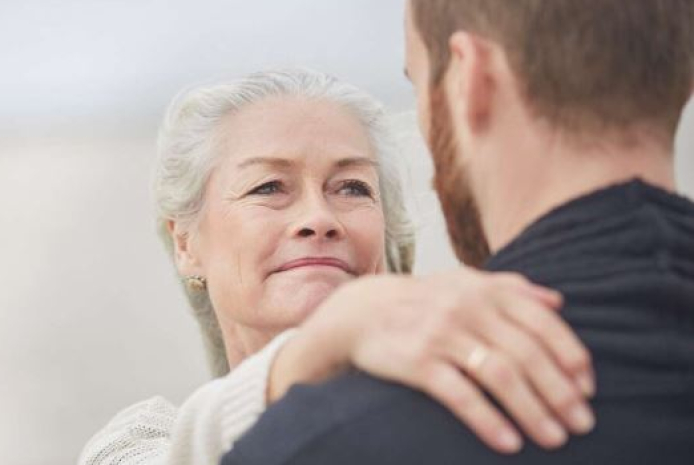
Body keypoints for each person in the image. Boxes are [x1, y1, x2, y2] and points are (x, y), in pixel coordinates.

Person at [222, 1, 694, 464]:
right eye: (268, 186)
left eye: (420, 84)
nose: (318, 219)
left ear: (470, 80)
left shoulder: (332, 437)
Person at [79, 69, 596, 465]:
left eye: (352, 188)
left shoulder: (473, 406)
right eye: (268, 187)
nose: (318, 218)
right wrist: (322, 347)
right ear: (186, 242)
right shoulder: (141, 442)